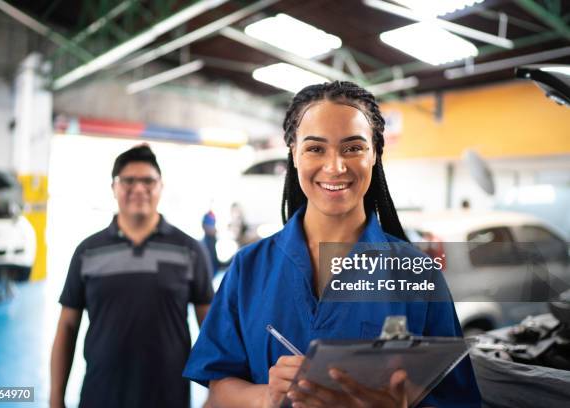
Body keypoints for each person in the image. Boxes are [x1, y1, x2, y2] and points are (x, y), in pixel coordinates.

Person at [183, 81, 481, 407]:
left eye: (353, 148)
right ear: (294, 153)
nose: (335, 166)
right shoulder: (249, 268)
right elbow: (217, 395)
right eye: (315, 148)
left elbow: (459, 400)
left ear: (375, 154)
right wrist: (267, 396)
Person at [50, 144, 213, 408]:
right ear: (114, 187)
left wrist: (214, 394)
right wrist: (56, 398)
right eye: (128, 181)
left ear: (161, 186)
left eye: (148, 181)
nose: (139, 189)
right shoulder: (88, 251)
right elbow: (67, 327)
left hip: (168, 396)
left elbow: (211, 329)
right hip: (100, 394)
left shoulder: (190, 250)